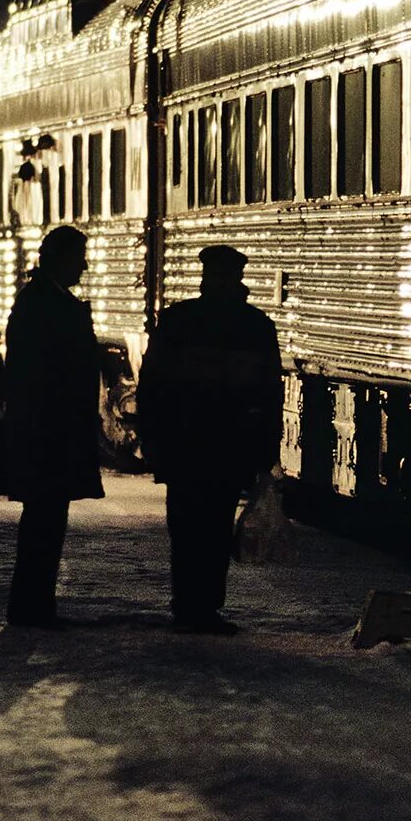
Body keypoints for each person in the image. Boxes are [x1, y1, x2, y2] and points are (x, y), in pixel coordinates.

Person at [135, 244, 282, 634]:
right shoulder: (255, 326)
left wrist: (151, 438)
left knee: (189, 529)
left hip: (187, 446)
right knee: (213, 528)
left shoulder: (179, 321)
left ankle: (190, 607)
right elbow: (269, 395)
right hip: (222, 447)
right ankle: (203, 607)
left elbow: (152, 386)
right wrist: (266, 450)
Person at [3, 226, 104, 627]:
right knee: (43, 521)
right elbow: (38, 371)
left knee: (46, 519)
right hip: (48, 431)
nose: (84, 264)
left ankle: (35, 603)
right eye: (79, 256)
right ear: (60, 259)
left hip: (50, 429)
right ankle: (31, 606)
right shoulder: (43, 304)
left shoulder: (45, 300)